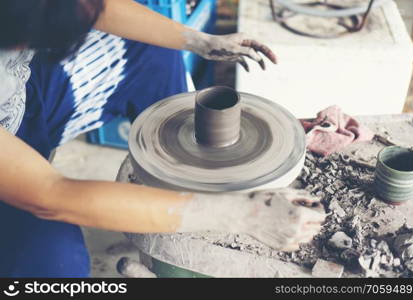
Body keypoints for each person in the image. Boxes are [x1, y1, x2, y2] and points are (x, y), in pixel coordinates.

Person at [0, 0, 325, 278]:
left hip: (22, 91)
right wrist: (242, 215)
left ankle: (180, 188)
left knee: (154, 51)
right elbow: (51, 193)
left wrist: (199, 41)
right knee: (55, 265)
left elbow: (94, 7)